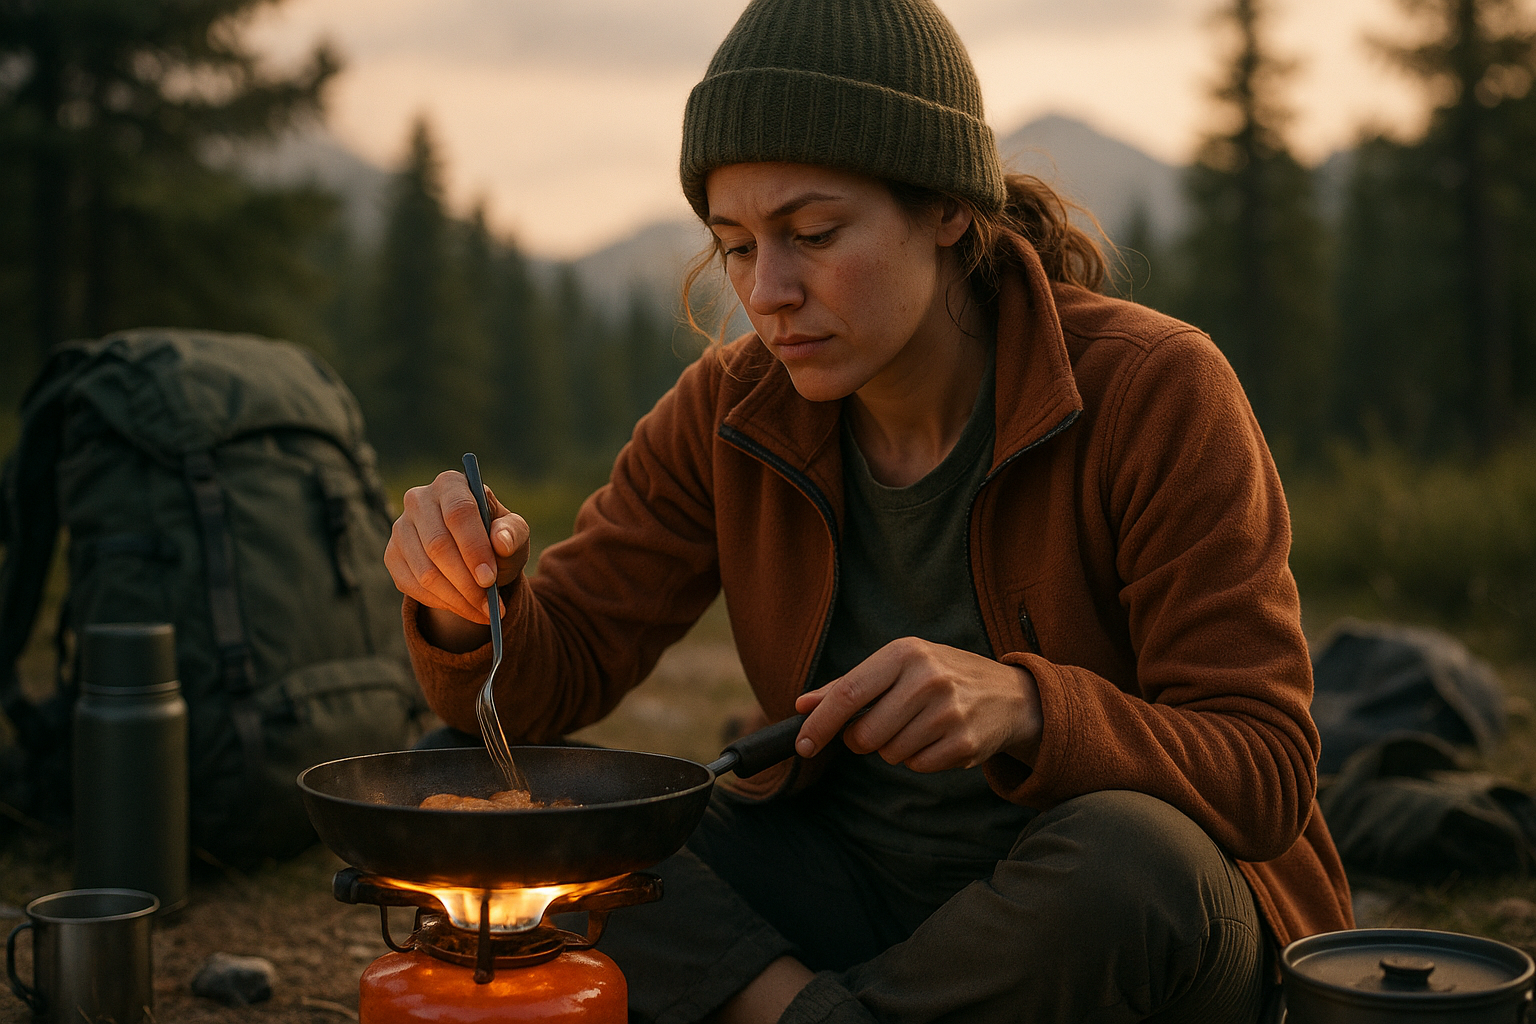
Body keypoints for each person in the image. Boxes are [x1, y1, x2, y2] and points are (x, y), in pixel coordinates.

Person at [384, 0, 1355, 1020]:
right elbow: (549, 677)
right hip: (850, 899)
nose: (768, 292)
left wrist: (1028, 704)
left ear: (946, 209)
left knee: (1133, 858)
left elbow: (1265, 768)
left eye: (812, 233)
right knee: (568, 818)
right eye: (736, 246)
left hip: (1091, 917)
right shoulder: (731, 409)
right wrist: (466, 598)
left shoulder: (1153, 389)